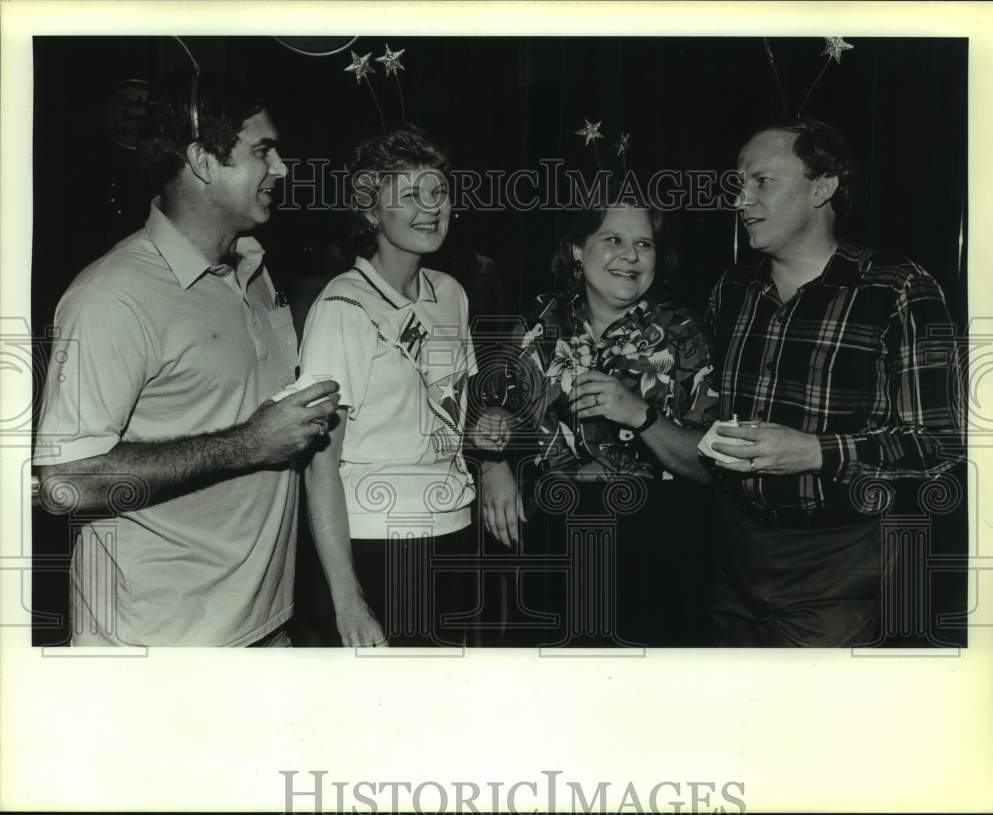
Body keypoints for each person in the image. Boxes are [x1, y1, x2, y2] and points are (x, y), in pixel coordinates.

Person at [32, 73, 339, 647]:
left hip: (265, 630)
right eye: (263, 152)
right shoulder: (112, 295)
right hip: (155, 651)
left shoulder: (254, 269)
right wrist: (249, 442)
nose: (283, 168)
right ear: (202, 160)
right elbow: (65, 484)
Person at [705, 117, 964, 647]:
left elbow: (941, 445)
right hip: (730, 550)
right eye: (738, 182)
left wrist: (815, 451)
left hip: (840, 563)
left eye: (761, 181)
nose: (740, 199)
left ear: (822, 187)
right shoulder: (731, 291)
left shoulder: (897, 289)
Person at [473, 192, 717, 646]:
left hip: (655, 548)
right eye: (614, 239)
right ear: (577, 250)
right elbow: (487, 411)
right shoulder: (538, 323)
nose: (630, 256)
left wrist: (640, 415)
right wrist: (492, 463)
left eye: (644, 244)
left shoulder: (684, 334)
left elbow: (707, 467)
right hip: (550, 540)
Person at [300, 124, 478, 647]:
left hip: (456, 532)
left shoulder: (451, 293)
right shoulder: (343, 306)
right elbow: (318, 467)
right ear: (370, 211)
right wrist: (348, 598)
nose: (430, 207)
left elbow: (449, 416)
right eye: (407, 194)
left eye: (438, 191)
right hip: (376, 545)